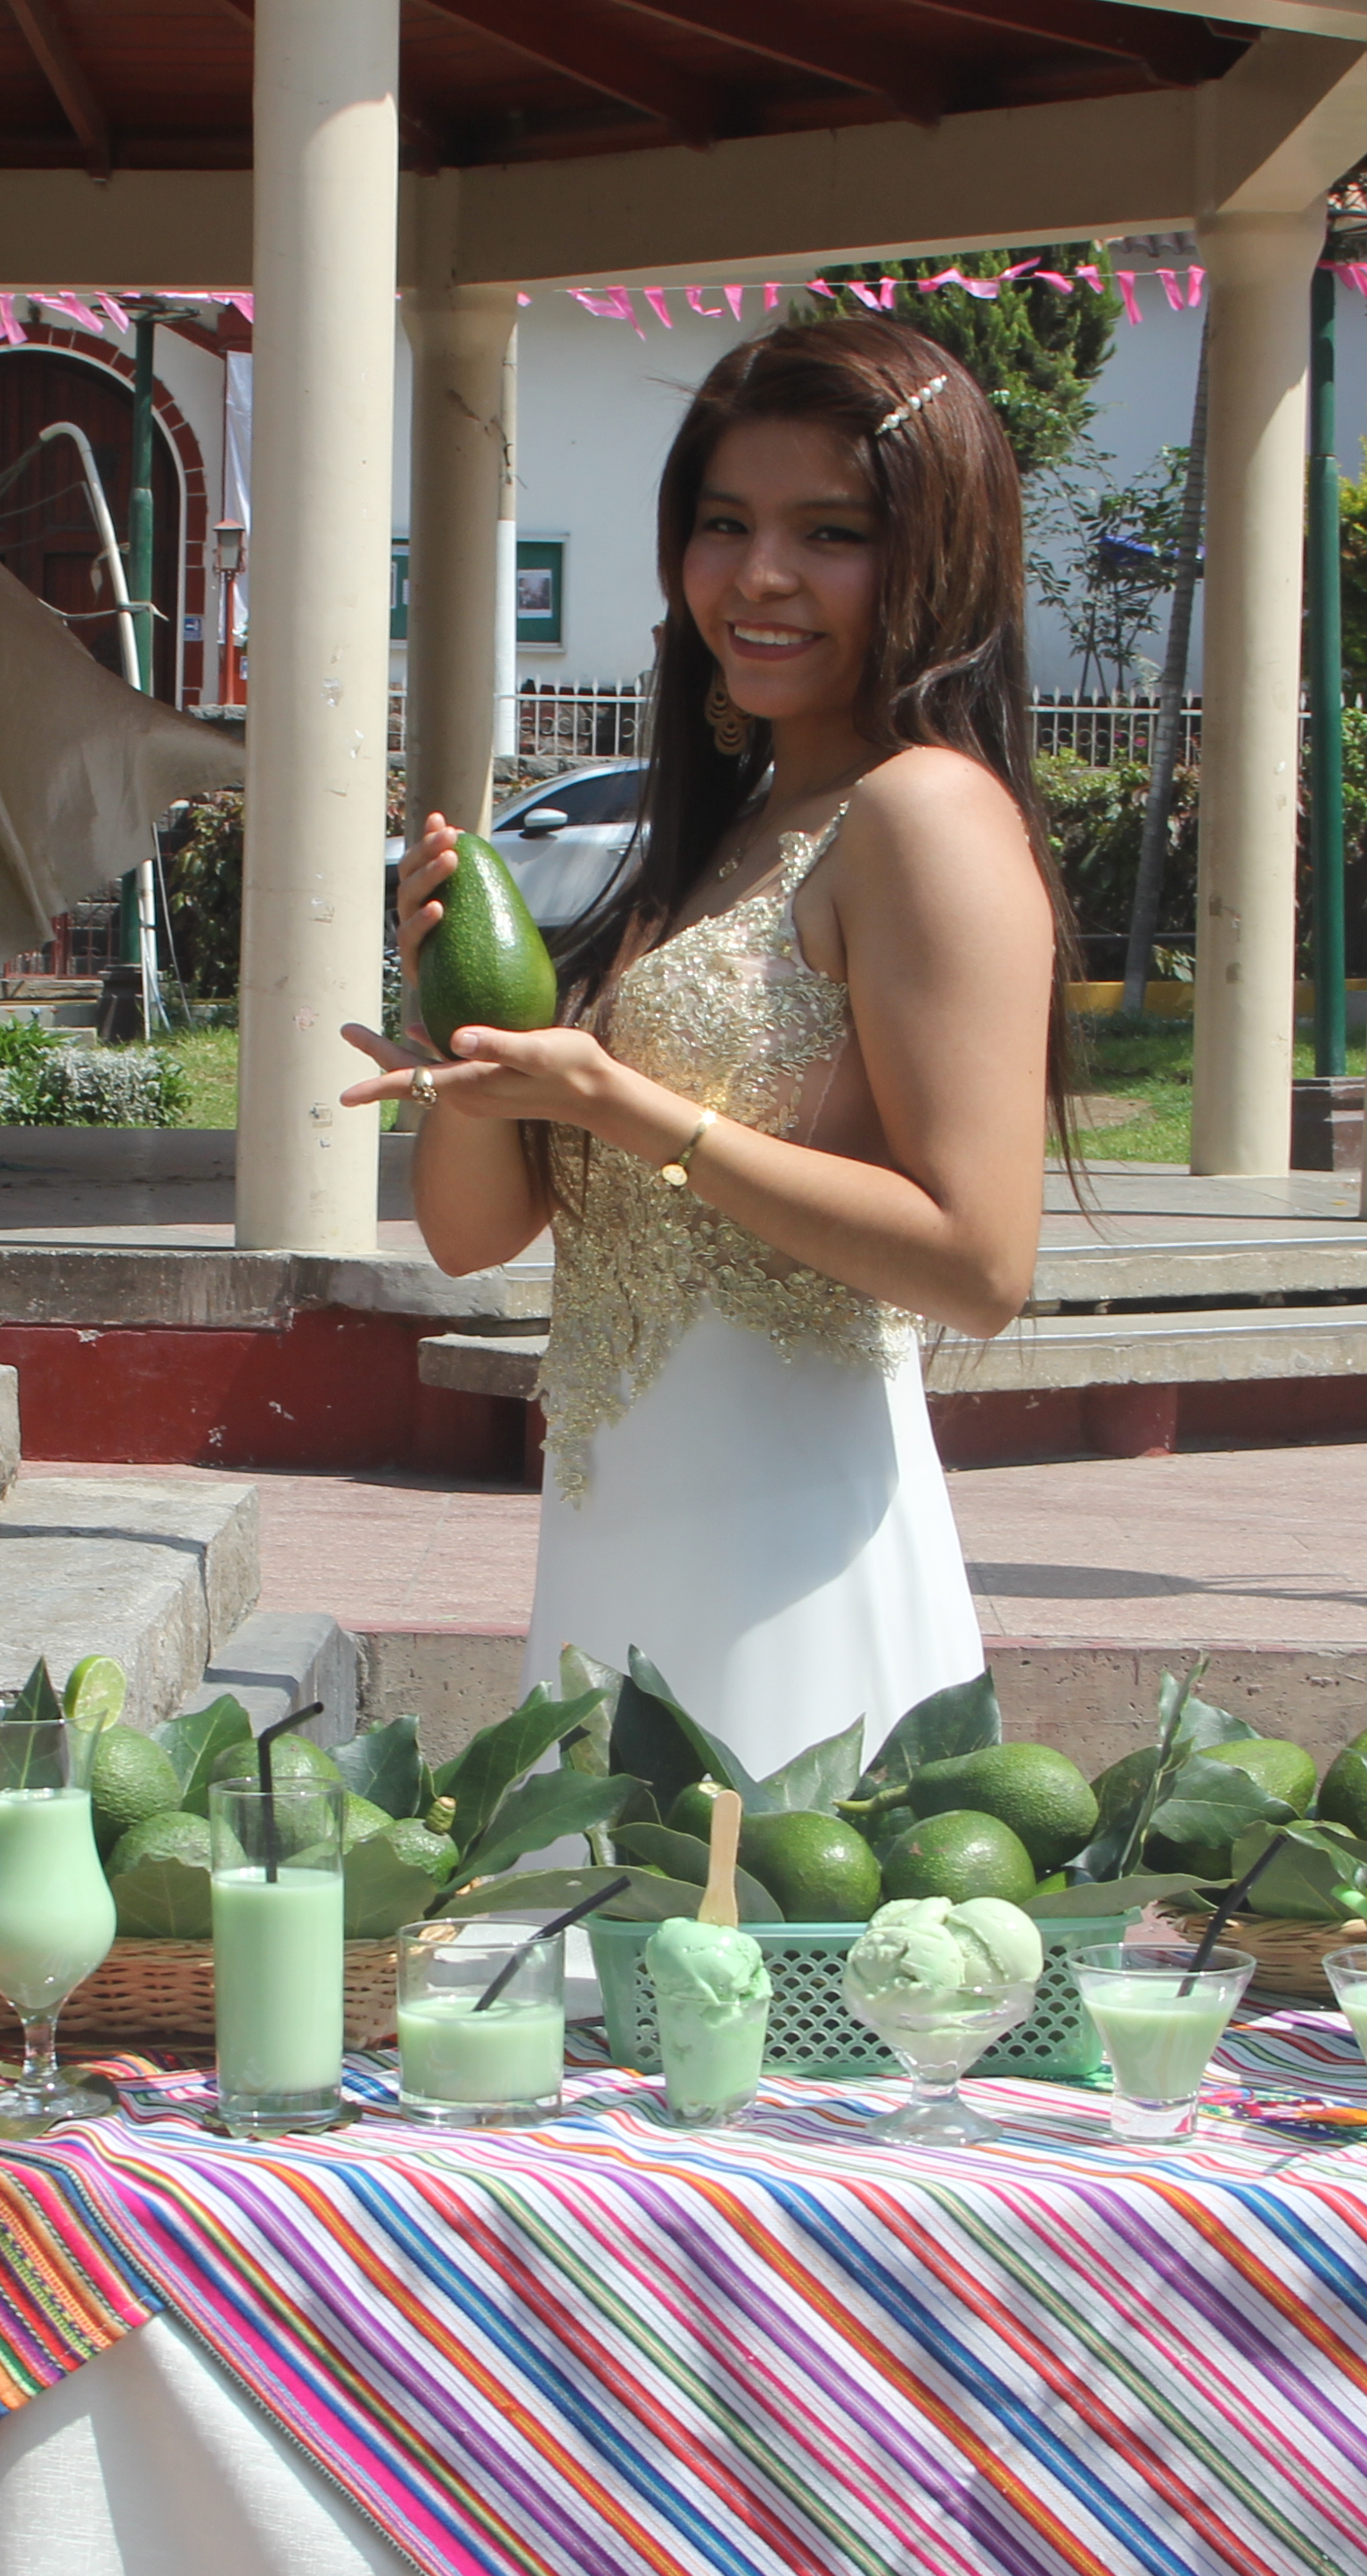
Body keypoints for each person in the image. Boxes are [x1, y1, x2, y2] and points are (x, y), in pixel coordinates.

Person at [341, 316, 1068, 1774]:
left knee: (772, 1973)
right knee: (616, 1965)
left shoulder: (924, 815)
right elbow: (476, 1238)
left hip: (790, 1547)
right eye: (723, 524)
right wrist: (478, 1053)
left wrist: (630, 1109)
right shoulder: (722, 839)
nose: (761, 577)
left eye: (831, 531)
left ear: (938, 556)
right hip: (618, 1538)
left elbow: (982, 1264)